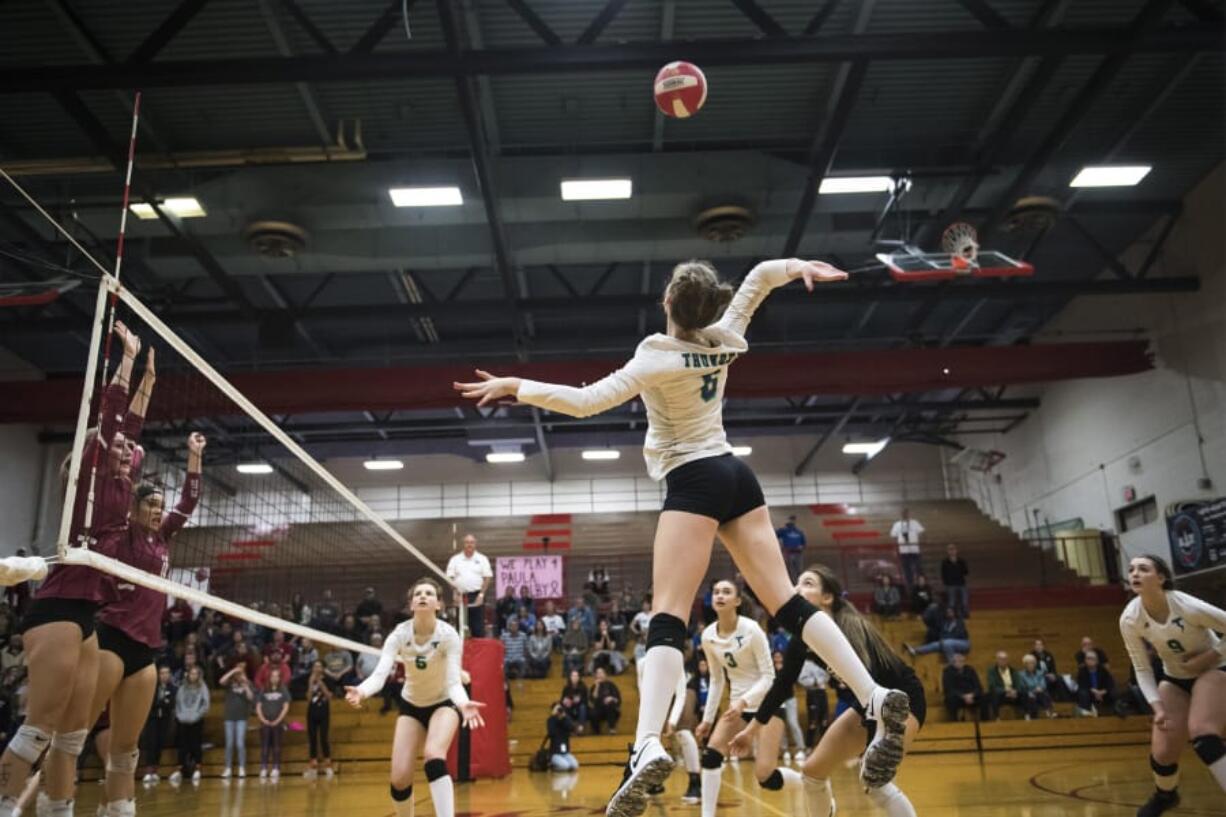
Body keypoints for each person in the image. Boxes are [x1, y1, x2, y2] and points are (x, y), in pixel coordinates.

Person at [455, 257, 910, 817]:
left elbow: (584, 401)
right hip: (736, 472)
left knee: (667, 615)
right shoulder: (725, 337)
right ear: (708, 307)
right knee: (788, 601)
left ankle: (647, 743)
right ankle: (873, 693)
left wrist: (514, 385)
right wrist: (798, 267)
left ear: (667, 302)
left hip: (693, 478)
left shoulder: (656, 354)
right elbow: (760, 279)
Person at [0, 325, 148, 817]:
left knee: (71, 736)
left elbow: (133, 427)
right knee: (38, 728)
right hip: (58, 608)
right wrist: (125, 362)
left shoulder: (120, 492)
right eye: (119, 447)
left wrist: (148, 378)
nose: (128, 451)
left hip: (88, 616)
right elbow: (112, 417)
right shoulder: (89, 477)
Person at [732, 564, 926, 817]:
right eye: (796, 583)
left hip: (901, 700)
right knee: (812, 772)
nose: (797, 588)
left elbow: (874, 681)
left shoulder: (850, 624)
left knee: (876, 781)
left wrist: (873, 742)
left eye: (808, 583)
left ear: (827, 597)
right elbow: (781, 686)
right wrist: (751, 730)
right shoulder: (802, 639)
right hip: (865, 706)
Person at [91, 432, 205, 817]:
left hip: (146, 646)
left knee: (129, 745)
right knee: (77, 729)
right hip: (112, 636)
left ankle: (117, 808)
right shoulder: (123, 536)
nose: (159, 510)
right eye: (151, 505)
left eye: (160, 504)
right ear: (135, 508)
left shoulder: (164, 538)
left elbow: (189, 500)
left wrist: (194, 456)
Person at [345, 577, 486, 817]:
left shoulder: (448, 635)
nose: (423, 596)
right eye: (418, 593)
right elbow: (380, 675)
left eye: (429, 593)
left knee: (433, 756)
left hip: (444, 702)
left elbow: (453, 682)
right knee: (399, 779)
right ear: (411, 604)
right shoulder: (399, 635)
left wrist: (463, 704)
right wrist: (362, 690)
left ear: (438, 604)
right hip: (412, 705)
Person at [1120, 554, 1226, 817]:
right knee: (1163, 749)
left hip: (1216, 667)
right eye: (1131, 569)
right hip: (1175, 677)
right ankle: (1165, 795)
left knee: (1202, 732)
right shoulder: (1130, 618)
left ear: (1161, 578)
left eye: (1143, 569)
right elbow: (1142, 668)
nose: (1135, 573)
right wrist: (1157, 707)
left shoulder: (1186, 605)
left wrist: (1210, 655)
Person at [695, 580, 801, 817]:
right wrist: (707, 720)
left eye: (726, 592)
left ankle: (807, 782)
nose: (720, 595)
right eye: (716, 591)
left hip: (767, 705)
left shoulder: (752, 629)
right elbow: (716, 680)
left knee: (765, 777)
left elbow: (769, 677)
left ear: (738, 601)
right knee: (711, 755)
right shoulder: (708, 635)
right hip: (737, 708)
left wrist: (745, 700)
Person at [445, 534, 492, 638]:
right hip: (460, 596)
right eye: (467, 542)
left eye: (471, 542)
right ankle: (461, 653)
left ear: (475, 544)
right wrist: (455, 594)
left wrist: (481, 595)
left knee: (478, 629)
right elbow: (449, 577)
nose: (469, 545)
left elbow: (487, 577)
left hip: (477, 596)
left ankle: (479, 653)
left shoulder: (482, 559)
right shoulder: (455, 559)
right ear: (463, 544)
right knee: (461, 628)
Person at [170, 665, 209, 785]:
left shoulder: (202, 687)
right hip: (183, 720)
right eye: (191, 673)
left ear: (198, 675)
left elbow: (205, 703)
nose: (193, 676)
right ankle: (179, 770)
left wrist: (197, 715)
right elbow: (178, 703)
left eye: (195, 674)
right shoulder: (182, 687)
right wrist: (180, 716)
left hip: (196, 720)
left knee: (195, 744)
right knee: (182, 745)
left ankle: (197, 769)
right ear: (188, 675)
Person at [139, 665, 176, 785]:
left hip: (164, 719)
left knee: (160, 743)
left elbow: (170, 704)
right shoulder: (153, 687)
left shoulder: (172, 688)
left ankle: (155, 770)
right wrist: (161, 702)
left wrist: (162, 703)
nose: (164, 675)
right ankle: (148, 770)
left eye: (167, 673)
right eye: (162, 673)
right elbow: (151, 702)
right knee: (151, 743)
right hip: (152, 718)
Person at [218, 663, 254, 780]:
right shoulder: (229, 683)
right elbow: (221, 681)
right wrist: (233, 671)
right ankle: (228, 768)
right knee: (229, 744)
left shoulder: (248, 684)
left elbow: (251, 698)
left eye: (241, 672)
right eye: (238, 673)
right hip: (229, 717)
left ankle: (241, 767)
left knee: (239, 743)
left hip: (242, 718)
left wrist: (246, 685)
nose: (239, 675)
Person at [772, 650, 806, 764]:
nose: (777, 658)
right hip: (777, 700)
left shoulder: (788, 667)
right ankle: (784, 749)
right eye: (775, 656)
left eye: (779, 656)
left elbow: (792, 680)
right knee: (781, 725)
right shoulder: (771, 670)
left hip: (790, 699)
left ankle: (801, 748)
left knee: (793, 722)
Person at [255, 668, 290, 781]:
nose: (274, 678)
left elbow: (286, 706)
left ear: (279, 678)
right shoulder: (264, 689)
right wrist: (263, 719)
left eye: (277, 676)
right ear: (269, 678)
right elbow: (259, 706)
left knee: (276, 746)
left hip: (277, 722)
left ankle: (276, 767)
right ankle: (264, 767)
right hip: (265, 721)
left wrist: (278, 720)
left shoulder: (283, 689)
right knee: (265, 746)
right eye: (272, 676)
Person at [904, 606, 970, 664]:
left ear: (954, 613)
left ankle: (953, 664)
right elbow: (942, 634)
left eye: (951, 612)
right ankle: (915, 651)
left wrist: (945, 639)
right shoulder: (945, 623)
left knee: (947, 642)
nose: (949, 614)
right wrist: (943, 639)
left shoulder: (959, 622)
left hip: (963, 642)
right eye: (948, 612)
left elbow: (958, 634)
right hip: (947, 643)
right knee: (935, 644)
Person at [305, 659, 334, 779]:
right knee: (312, 738)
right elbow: (308, 698)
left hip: (324, 712)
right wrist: (311, 684)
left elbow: (329, 696)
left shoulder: (328, 680)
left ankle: (328, 764)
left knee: (323, 737)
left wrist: (321, 684)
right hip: (312, 712)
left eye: (319, 666)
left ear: (323, 668)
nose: (317, 668)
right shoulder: (309, 679)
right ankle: (313, 765)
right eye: (315, 666)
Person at [942, 653, 985, 722]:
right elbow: (948, 688)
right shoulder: (947, 671)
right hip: (958, 696)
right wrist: (963, 696)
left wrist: (972, 695)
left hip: (971, 695)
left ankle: (985, 722)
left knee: (984, 698)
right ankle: (954, 723)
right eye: (957, 661)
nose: (960, 663)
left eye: (962, 661)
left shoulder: (970, 670)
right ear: (953, 662)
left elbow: (978, 685)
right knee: (950, 699)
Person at [889, 509, 925, 590]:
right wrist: (894, 549)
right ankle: (911, 588)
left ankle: (922, 586)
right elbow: (893, 537)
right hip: (904, 551)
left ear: (909, 514)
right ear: (901, 514)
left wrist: (919, 544)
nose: (905, 515)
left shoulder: (915, 522)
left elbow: (922, 533)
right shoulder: (897, 524)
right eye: (903, 513)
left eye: (906, 513)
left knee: (918, 568)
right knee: (907, 571)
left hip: (915, 550)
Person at [986, 651, 1026, 721]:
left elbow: (1018, 684)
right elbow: (992, 686)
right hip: (1001, 694)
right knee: (993, 696)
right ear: (997, 660)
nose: (1003, 661)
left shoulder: (1013, 671)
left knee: (1025, 694)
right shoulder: (992, 671)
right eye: (1001, 659)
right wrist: (1005, 691)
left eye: (1005, 659)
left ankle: (1027, 716)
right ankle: (997, 717)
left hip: (1013, 694)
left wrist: (1015, 691)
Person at [1075, 651, 1116, 716]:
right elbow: (1082, 684)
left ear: (1097, 661)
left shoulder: (1103, 670)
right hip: (1089, 692)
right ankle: (1087, 712)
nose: (1089, 660)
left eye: (1092, 658)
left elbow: (1110, 683)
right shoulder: (1082, 671)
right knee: (1082, 693)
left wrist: (1103, 691)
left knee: (1113, 692)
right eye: (1087, 658)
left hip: (1102, 693)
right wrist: (1094, 691)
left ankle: (1113, 713)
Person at [1017, 654, 1056, 719]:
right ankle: (1029, 715)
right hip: (1027, 693)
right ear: (1025, 665)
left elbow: (1043, 684)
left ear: (1035, 664)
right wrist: (1033, 690)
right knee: (1028, 696)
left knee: (1043, 693)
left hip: (1039, 692)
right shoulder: (1021, 675)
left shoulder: (1040, 673)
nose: (1030, 665)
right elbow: (1022, 686)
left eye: (1032, 663)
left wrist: (1039, 688)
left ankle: (1048, 711)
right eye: (1028, 663)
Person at [547, 702, 579, 772]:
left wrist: (565, 717)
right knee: (565, 766)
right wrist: (554, 717)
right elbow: (551, 733)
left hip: (565, 753)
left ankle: (561, 765)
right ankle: (553, 766)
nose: (559, 710)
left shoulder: (565, 720)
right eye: (557, 709)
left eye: (560, 708)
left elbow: (572, 728)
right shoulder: (551, 720)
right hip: (555, 753)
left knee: (575, 765)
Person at [589, 667, 622, 735]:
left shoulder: (611, 685)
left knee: (610, 704)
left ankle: (612, 728)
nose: (600, 675)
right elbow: (593, 699)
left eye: (601, 673)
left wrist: (611, 698)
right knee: (592, 712)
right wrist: (597, 686)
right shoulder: (594, 686)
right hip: (599, 710)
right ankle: (596, 731)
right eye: (598, 673)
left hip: (610, 709)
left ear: (605, 674)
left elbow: (618, 699)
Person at [940, 544, 969, 618]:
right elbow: (943, 574)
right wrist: (946, 583)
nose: (952, 551)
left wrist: (959, 566)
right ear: (948, 552)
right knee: (951, 602)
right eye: (950, 550)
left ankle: (965, 614)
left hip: (961, 584)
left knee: (964, 601)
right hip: (950, 585)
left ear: (956, 551)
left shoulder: (961, 561)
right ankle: (951, 615)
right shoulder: (945, 562)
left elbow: (966, 572)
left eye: (953, 549)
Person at [775, 516, 807, 583]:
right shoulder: (784, 530)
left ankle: (800, 582)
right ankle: (790, 583)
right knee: (789, 570)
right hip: (788, 553)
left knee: (799, 570)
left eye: (793, 520)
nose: (792, 521)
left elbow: (804, 543)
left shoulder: (799, 531)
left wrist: (801, 546)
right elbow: (775, 535)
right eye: (791, 520)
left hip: (798, 553)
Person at [560, 669, 589, 733]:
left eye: (576, 676)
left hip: (580, 708)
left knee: (583, 707)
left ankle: (581, 726)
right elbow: (562, 700)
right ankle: (574, 727)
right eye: (573, 676)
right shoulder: (566, 687)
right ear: (570, 677)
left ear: (579, 677)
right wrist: (565, 701)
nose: (575, 678)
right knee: (563, 710)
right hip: (570, 708)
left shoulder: (583, 687)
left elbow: (586, 700)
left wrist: (579, 700)